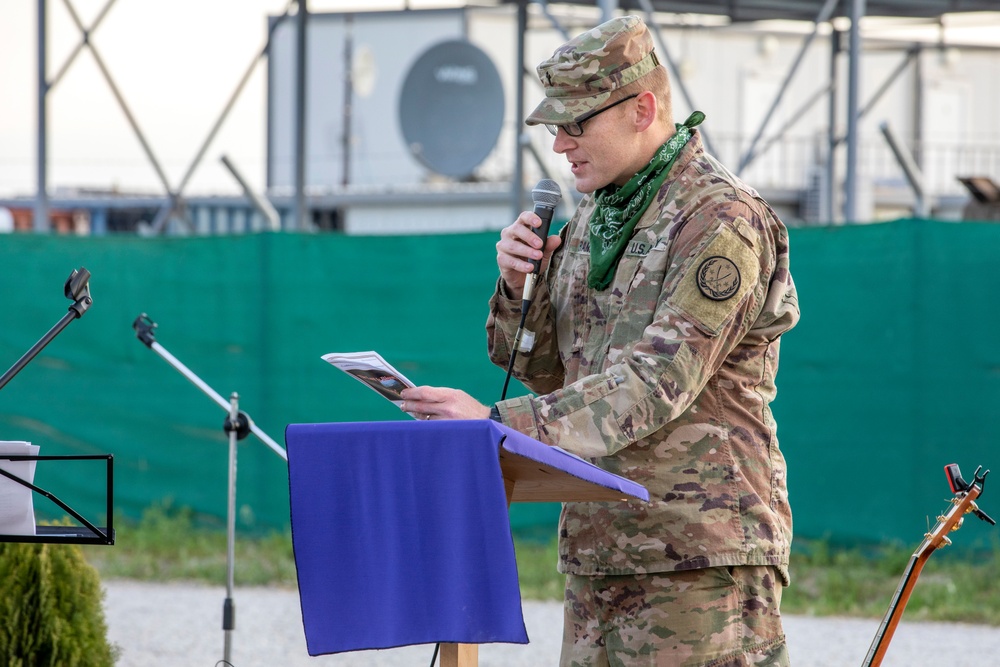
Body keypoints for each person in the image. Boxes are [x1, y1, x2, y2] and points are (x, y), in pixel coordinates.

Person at [400, 15, 799, 667]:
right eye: (555, 127)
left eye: (575, 123)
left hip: (698, 555)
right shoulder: (595, 219)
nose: (559, 144)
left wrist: (494, 423)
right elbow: (551, 371)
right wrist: (516, 284)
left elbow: (655, 383)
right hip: (601, 548)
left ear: (642, 109)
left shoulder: (720, 220)